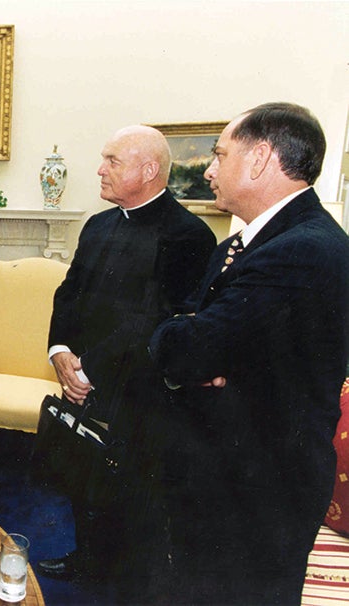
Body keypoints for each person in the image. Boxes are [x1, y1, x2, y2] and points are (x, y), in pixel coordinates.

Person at [150, 102, 349, 604]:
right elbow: (194, 336)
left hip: (259, 490)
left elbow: (186, 351)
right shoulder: (244, 243)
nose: (210, 170)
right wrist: (194, 341)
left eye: (219, 154)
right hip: (229, 476)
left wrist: (190, 343)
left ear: (260, 159)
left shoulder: (302, 249)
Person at [32, 125, 216, 602]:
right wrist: (60, 353)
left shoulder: (188, 235)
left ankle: (123, 578)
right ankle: (87, 557)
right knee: (82, 468)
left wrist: (87, 368)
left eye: (112, 160)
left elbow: (155, 319)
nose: (99, 169)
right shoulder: (98, 224)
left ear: (148, 170)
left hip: (140, 388)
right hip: (81, 375)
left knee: (132, 488)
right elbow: (68, 293)